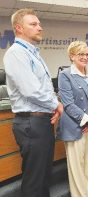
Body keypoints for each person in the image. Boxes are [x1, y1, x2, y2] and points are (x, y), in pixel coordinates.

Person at [3, 9, 63, 197]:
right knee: (34, 182)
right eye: (34, 24)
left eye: (39, 23)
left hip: (42, 122)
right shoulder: (16, 53)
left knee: (45, 176)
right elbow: (31, 91)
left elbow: (44, 89)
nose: (40, 27)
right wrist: (56, 105)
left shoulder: (33, 53)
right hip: (31, 124)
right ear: (19, 28)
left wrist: (52, 105)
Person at [57, 41, 88, 197]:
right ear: (72, 56)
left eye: (87, 54)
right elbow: (68, 104)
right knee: (77, 167)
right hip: (74, 128)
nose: (85, 57)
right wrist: (87, 121)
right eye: (80, 54)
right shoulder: (65, 75)